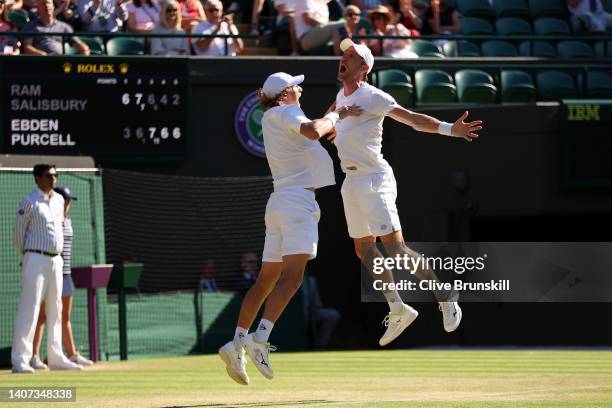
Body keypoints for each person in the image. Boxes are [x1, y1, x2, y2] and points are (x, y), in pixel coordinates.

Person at [328, 39, 482, 346]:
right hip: (351, 182)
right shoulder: (341, 96)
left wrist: (450, 128)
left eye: (351, 56)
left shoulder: (373, 96)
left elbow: (411, 119)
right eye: (343, 54)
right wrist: (331, 122)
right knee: (363, 250)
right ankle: (398, 307)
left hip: (374, 180)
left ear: (364, 67)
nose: (343, 59)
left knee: (395, 249)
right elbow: (330, 117)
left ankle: (445, 295)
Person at [218, 72, 362, 385]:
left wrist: (333, 116)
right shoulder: (287, 111)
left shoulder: (273, 116)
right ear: (285, 94)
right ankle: (260, 338)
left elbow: (313, 128)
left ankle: (237, 342)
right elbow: (313, 131)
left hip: (279, 203)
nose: (300, 88)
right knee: (293, 278)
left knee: (265, 281)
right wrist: (336, 115)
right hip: (298, 205)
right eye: (294, 86)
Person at [12, 165, 82, 373]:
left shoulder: (59, 200)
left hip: (56, 261)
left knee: (56, 309)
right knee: (30, 309)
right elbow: (18, 235)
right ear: (38, 178)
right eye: (49, 175)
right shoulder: (29, 202)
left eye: (56, 175)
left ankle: (56, 357)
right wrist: (26, 257)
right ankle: (20, 360)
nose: (54, 179)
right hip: (35, 258)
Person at [31, 186, 93, 370]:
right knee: (42, 316)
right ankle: (33, 356)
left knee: (65, 316)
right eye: (65, 200)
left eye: (69, 200)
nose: (68, 203)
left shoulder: (67, 220)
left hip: (66, 275)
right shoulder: (50, 219)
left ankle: (71, 355)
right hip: (51, 273)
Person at [21, 0, 90, 55]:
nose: (47, 6)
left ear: (53, 6)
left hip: (60, 64)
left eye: (49, 3)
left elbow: (79, 44)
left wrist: (84, 50)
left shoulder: (64, 27)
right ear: (38, 7)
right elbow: (27, 47)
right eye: (43, 4)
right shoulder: (30, 26)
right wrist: (41, 54)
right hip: (39, 64)